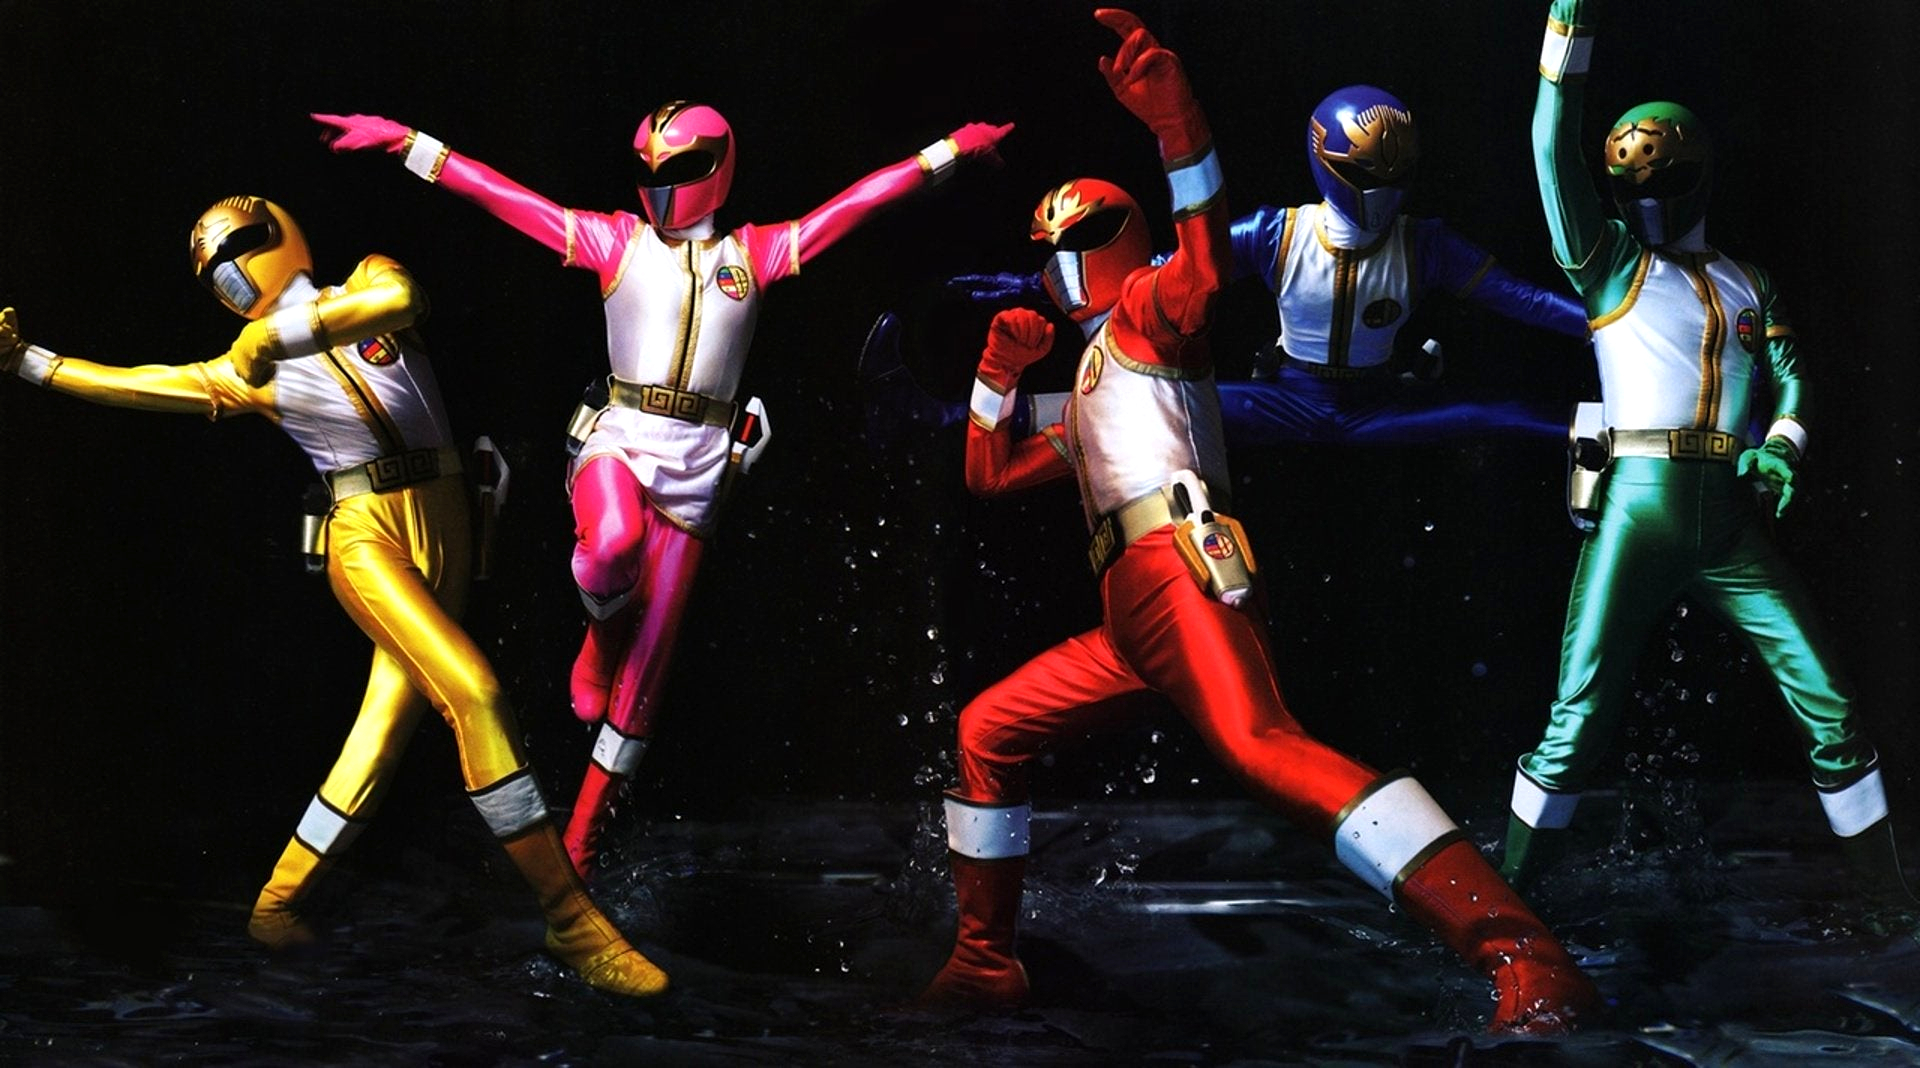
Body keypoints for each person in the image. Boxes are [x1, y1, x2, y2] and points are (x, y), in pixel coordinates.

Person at [919, 9, 1598, 1035]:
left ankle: (1524, 954)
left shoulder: (1152, 311)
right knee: (986, 731)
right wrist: (995, 375)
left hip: (1177, 569)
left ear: (1122, 241)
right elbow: (993, 476)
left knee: (1266, 747)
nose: (1062, 263)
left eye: (1081, 239)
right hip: (1125, 614)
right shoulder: (1097, 373)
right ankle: (984, 962)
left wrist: (1177, 124)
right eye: (1050, 247)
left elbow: (1202, 252)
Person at [311, 102, 1012, 877]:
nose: (662, 185)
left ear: (719, 165)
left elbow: (856, 204)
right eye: (650, 169)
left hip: (703, 460)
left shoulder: (757, 253)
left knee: (644, 679)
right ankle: (598, 640)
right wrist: (408, 143)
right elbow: (502, 196)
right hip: (621, 433)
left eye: (679, 167)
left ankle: (582, 840)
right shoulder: (616, 241)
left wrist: (948, 150)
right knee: (610, 544)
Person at [0, 196, 665, 997]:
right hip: (366, 535)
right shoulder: (244, 371)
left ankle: (276, 904)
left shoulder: (362, 285)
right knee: (476, 695)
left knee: (378, 737)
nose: (229, 273)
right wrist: (29, 362)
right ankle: (571, 920)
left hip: (448, 520)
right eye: (211, 270)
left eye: (237, 248)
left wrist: (276, 336)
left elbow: (400, 300)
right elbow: (140, 385)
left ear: (278, 231)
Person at [1502, 0, 1910, 902]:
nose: (1648, 197)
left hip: (1728, 511)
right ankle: (1505, 912)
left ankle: (1889, 910)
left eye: (1666, 178)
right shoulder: (1607, 261)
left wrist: (1781, 449)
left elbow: (1793, 381)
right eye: (1632, 182)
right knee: (1578, 719)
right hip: (1638, 501)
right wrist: (1568, 32)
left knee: (1831, 707)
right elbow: (1550, 148)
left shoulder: (1745, 280)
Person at [862, 83, 1591, 451]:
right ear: (1327, 165)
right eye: (1367, 176)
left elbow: (1518, 297)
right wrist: (1034, 284)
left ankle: (1620, 427)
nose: (1382, 194)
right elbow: (1164, 274)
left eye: (1394, 177)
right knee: (1115, 411)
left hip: (1381, 403)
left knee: (1507, 415)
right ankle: (941, 416)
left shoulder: (1424, 244)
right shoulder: (1279, 234)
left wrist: (1606, 324)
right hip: (1285, 399)